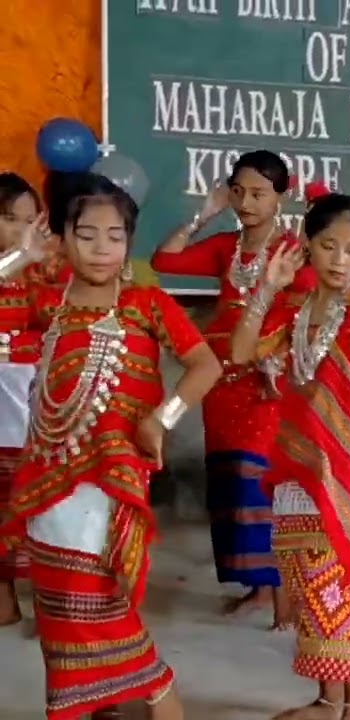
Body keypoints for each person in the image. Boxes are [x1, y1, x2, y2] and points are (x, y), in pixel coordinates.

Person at [0, 173, 223, 720]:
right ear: (63, 237)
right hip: (47, 476)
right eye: (88, 234)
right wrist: (18, 258)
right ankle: (91, 705)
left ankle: (152, 699)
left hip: (109, 482)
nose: (102, 248)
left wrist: (162, 419)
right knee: (58, 614)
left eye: (115, 235)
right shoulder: (47, 301)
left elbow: (205, 365)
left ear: (129, 240)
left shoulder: (147, 304)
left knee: (98, 605)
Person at [228, 193, 350, 720]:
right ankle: (328, 698)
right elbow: (242, 353)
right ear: (307, 246)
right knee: (309, 582)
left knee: (340, 581)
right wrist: (267, 288)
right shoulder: (292, 309)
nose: (339, 259)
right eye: (328, 246)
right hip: (298, 463)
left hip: (347, 468)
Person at [151, 150, 316, 628]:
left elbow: (307, 309)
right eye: (238, 192)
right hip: (221, 383)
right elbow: (165, 259)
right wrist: (204, 214)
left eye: (258, 193)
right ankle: (256, 587)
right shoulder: (227, 247)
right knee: (228, 483)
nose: (246, 201)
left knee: (259, 484)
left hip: (266, 383)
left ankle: (278, 592)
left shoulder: (295, 253)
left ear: (280, 198)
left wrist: (278, 358)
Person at [0, 172, 48, 625]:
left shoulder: (40, 272)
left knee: (27, 497)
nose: (21, 230)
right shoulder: (17, 263)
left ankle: (47, 604)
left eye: (29, 220)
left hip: (25, 398)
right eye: (11, 219)